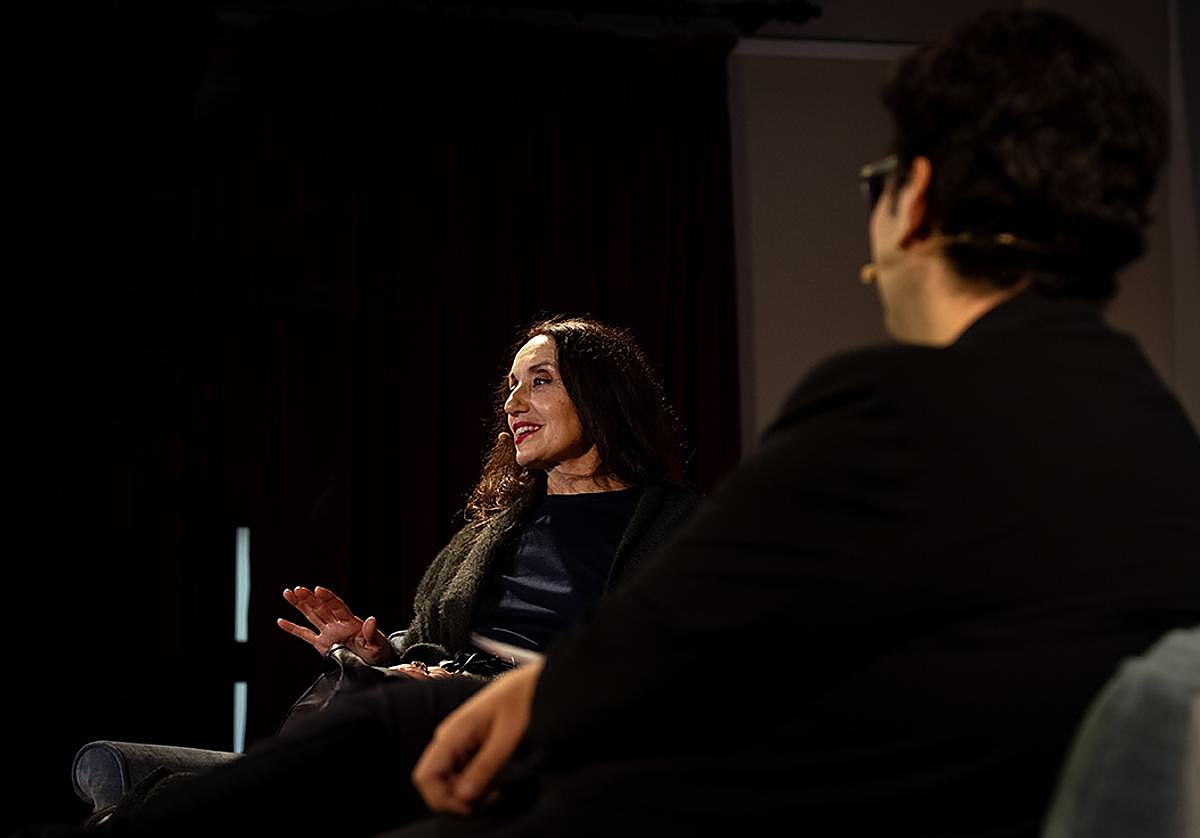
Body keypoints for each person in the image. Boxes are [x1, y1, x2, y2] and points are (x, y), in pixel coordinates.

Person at [16, 9, 1199, 838]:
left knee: (385, 744)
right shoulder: (1158, 439)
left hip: (682, 795)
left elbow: (674, 640)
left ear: (919, 197)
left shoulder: (891, 406)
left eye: (876, 181)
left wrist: (498, 696)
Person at [273, 315, 698, 702]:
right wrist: (381, 650)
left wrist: (471, 690)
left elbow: (666, 677)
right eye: (512, 386)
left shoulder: (681, 532)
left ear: (602, 395)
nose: (513, 404)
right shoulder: (493, 531)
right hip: (431, 708)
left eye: (541, 381)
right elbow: (428, 643)